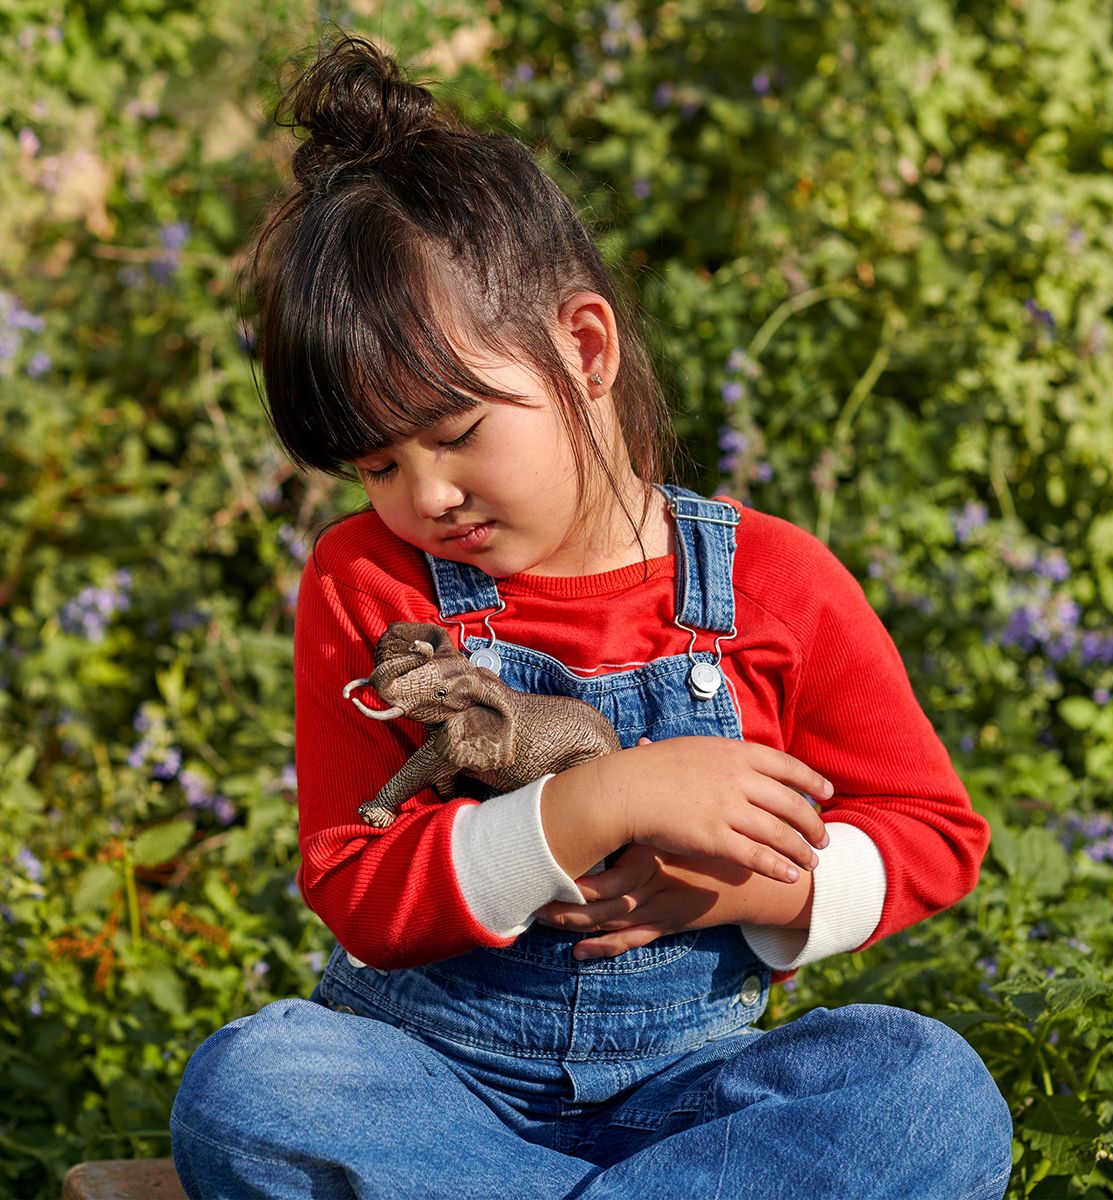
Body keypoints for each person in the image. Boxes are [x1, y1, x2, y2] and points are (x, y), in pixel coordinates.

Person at [170, 31, 1012, 1200]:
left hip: (695, 1102)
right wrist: (596, 801)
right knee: (255, 1087)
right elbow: (354, 881)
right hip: (433, 1085)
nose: (426, 497)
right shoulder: (372, 585)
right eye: (374, 468)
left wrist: (749, 890)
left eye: (457, 435)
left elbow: (934, 829)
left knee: (926, 1089)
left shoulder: (774, 582)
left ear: (583, 346)